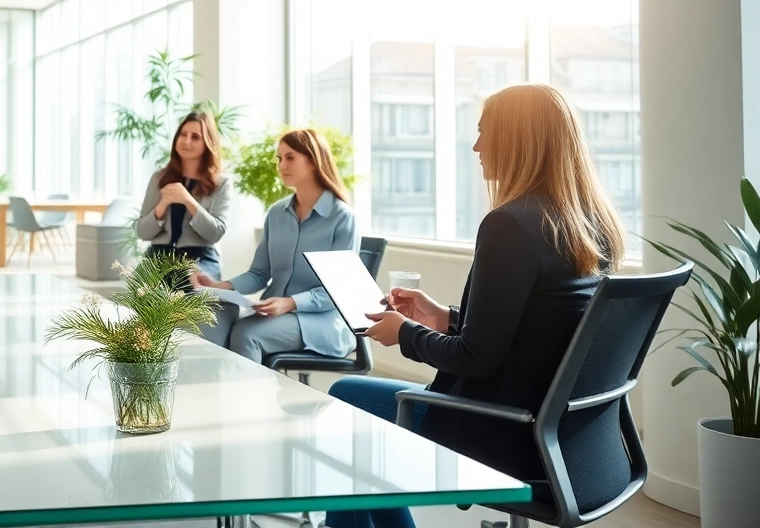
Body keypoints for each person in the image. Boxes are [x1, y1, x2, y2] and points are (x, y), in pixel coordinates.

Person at [324, 83, 626, 528]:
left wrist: (403, 333)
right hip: (569, 439)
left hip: (502, 429)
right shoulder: (587, 222)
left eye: (485, 132)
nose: (476, 145)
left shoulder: (510, 225)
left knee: (345, 399)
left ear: (517, 140)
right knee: (365, 443)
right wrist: (442, 317)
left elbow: (477, 360)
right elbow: (536, 331)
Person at [191, 128, 357, 363]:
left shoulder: (342, 218)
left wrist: (290, 303)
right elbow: (259, 273)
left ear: (313, 160)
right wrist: (221, 285)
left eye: (290, 157)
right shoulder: (277, 213)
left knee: (246, 334)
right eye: (280, 158)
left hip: (323, 320)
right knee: (218, 323)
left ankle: (251, 399)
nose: (281, 165)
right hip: (274, 312)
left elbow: (338, 292)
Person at [136, 112, 231, 282]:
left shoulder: (221, 183)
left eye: (195, 137)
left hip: (200, 258)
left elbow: (215, 233)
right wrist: (163, 204)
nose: (187, 141)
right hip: (159, 256)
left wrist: (187, 200)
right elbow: (143, 232)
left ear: (208, 143)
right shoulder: (159, 178)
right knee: (141, 291)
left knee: (190, 290)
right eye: (183, 135)